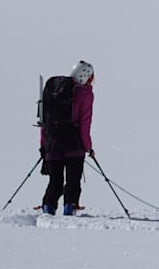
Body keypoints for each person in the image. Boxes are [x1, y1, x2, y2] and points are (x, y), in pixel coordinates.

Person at [40, 60, 95, 216]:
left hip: (52, 142)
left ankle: (47, 209)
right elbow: (85, 123)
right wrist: (87, 146)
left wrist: (44, 147)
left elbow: (45, 122)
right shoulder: (85, 93)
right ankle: (69, 209)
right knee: (72, 181)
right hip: (73, 142)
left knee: (54, 181)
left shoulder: (53, 90)